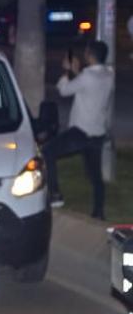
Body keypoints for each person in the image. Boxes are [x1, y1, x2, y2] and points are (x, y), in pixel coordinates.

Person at [44, 40, 114, 218]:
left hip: (80, 132)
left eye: (86, 52)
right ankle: (99, 212)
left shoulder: (87, 77)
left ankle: (56, 194)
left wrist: (67, 70)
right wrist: (77, 72)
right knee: (95, 176)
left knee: (48, 151)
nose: (84, 55)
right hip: (97, 133)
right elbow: (87, 85)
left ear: (90, 55)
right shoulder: (109, 75)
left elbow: (64, 90)